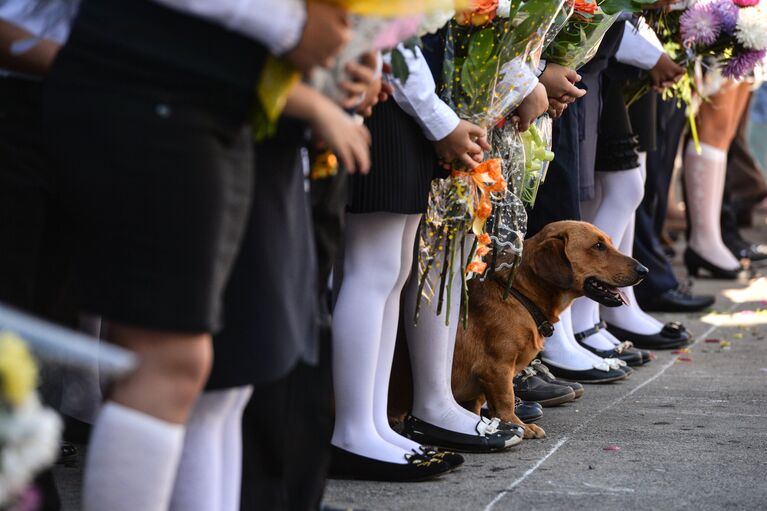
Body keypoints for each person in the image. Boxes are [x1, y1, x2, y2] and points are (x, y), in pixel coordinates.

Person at [41, 1, 350, 509]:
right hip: (156, 86)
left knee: (213, 373)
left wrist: (341, 57)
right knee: (166, 362)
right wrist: (294, 26)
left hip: (214, 96)